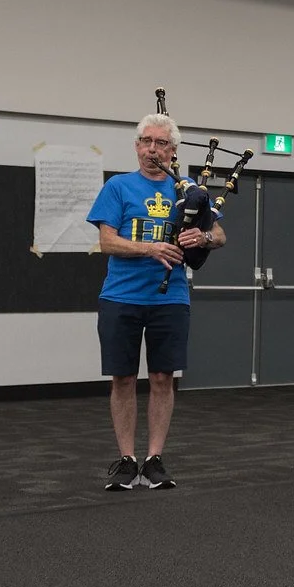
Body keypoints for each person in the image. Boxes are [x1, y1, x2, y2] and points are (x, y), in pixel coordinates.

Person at [88, 112, 226, 491]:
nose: (153, 149)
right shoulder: (118, 187)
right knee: (124, 378)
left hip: (171, 299)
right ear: (136, 146)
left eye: (161, 143)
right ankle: (126, 459)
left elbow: (220, 234)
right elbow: (107, 242)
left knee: (164, 378)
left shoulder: (188, 191)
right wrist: (149, 248)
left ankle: (154, 459)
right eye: (146, 142)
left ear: (173, 150)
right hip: (121, 296)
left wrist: (204, 239)